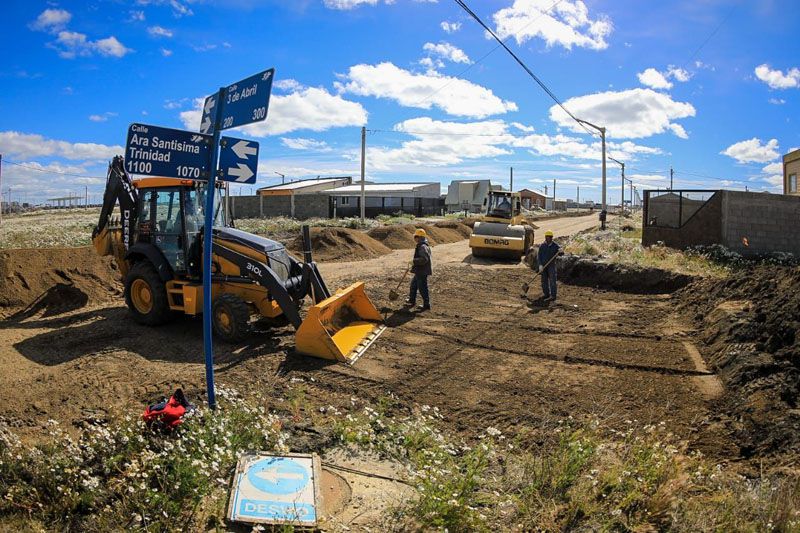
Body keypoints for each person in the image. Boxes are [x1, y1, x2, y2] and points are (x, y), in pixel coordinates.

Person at [405, 228, 432, 311]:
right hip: (419, 270)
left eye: (415, 237)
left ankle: (426, 304)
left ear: (419, 237)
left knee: (422, 287)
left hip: (422, 271)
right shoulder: (421, 245)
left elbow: (424, 259)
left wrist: (414, 261)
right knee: (413, 285)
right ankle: (411, 300)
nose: (414, 239)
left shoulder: (423, 246)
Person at [537, 230, 560, 301]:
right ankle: (546, 294)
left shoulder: (555, 246)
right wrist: (540, 265)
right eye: (547, 237)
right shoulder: (542, 246)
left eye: (549, 237)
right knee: (544, 281)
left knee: (552, 281)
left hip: (551, 266)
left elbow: (561, 253)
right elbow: (539, 256)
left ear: (551, 238)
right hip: (543, 266)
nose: (548, 238)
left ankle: (553, 296)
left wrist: (561, 251)